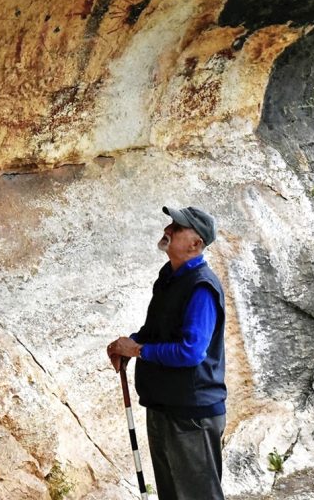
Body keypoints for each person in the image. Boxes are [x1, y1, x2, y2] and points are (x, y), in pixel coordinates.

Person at [107, 206, 227, 500]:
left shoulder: (201, 287)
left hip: (191, 415)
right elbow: (156, 331)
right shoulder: (169, 278)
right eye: (171, 223)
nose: (168, 229)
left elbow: (191, 352)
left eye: (177, 227)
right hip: (165, 406)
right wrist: (126, 345)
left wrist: (137, 350)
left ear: (196, 243)